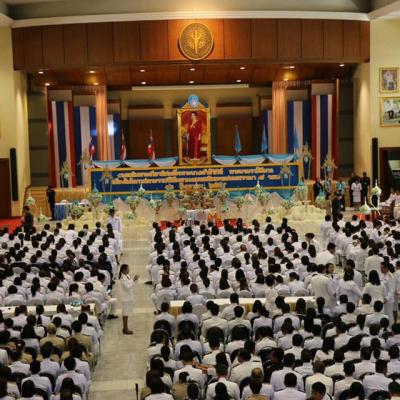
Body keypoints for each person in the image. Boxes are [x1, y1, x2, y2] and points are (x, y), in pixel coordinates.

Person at [119, 264, 139, 335]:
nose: (128, 270)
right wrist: (134, 280)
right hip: (126, 298)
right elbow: (127, 287)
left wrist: (134, 280)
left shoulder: (127, 276)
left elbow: (131, 284)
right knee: (125, 313)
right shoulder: (122, 278)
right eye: (127, 269)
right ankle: (125, 328)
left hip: (129, 297)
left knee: (127, 313)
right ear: (123, 270)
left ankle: (125, 327)